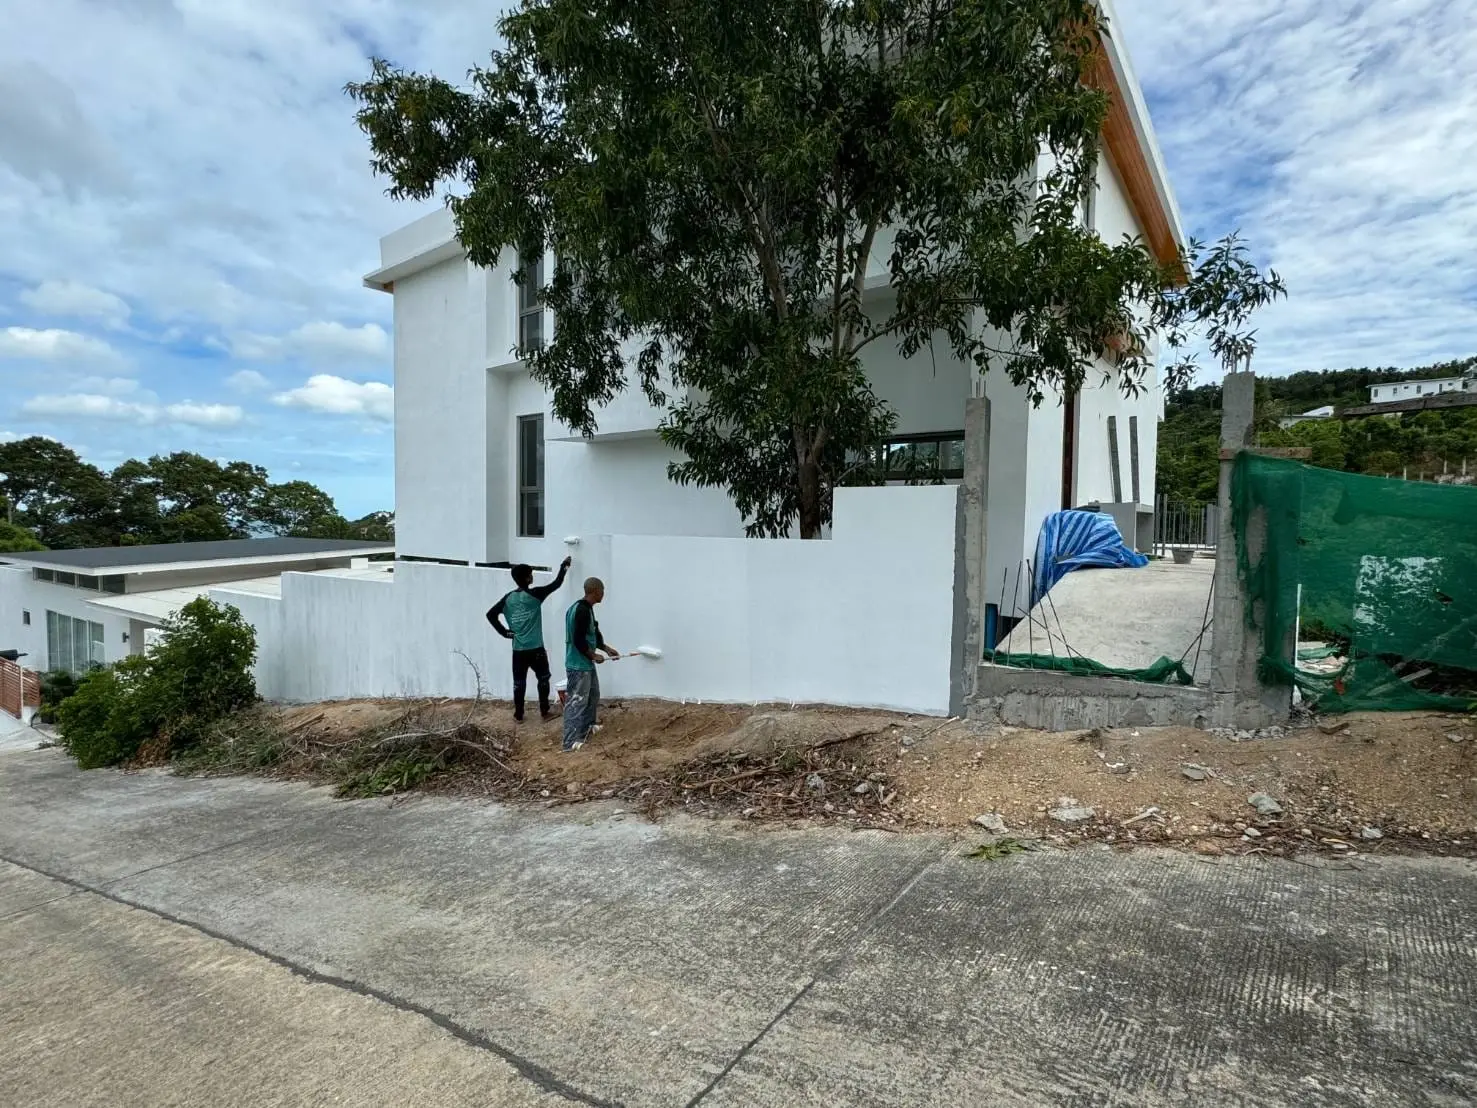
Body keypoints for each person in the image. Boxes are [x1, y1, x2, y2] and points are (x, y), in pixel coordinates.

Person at [487, 556, 571, 722]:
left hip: (518, 650)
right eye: (531, 574)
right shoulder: (535, 595)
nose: (532, 577)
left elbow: (490, 615)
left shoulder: (508, 598)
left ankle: (519, 715)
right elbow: (556, 584)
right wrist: (564, 566)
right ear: (527, 578)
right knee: (543, 678)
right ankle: (544, 712)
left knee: (519, 683)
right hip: (536, 648)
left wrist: (505, 632)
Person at [562, 576, 619, 752]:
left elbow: (593, 631)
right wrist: (593, 655)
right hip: (578, 665)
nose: (604, 594)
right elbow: (577, 638)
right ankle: (570, 741)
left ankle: (588, 726)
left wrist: (605, 648)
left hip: (585, 663)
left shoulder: (587, 609)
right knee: (577, 701)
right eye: (602, 591)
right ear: (595, 591)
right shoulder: (581, 610)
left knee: (593, 695)